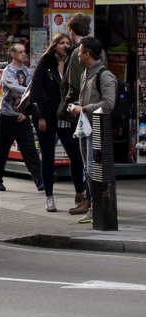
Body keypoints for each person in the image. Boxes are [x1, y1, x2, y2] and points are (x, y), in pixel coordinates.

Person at [29, 32, 85, 212]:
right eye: (61, 42)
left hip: (67, 115)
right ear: (54, 45)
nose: (65, 45)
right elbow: (35, 92)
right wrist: (40, 117)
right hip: (48, 115)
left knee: (76, 155)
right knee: (48, 156)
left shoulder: (72, 62)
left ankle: (79, 192)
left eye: (67, 42)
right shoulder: (45, 63)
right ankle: (49, 197)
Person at [68, 36, 117, 224]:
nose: (78, 54)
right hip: (85, 128)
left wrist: (84, 109)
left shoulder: (104, 75)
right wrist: (76, 107)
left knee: (95, 170)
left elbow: (108, 104)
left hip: (97, 130)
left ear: (87, 54)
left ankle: (98, 208)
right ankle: (93, 206)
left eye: (80, 51)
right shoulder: (85, 73)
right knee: (88, 170)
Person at [0, 42, 43, 192]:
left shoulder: (28, 72)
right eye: (20, 52)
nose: (24, 54)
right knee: (2, 150)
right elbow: (15, 87)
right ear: (13, 54)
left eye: (24, 52)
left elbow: (31, 90)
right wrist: (31, 91)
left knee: (30, 149)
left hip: (22, 117)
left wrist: (25, 112)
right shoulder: (7, 71)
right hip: (7, 116)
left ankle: (40, 180)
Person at [56, 13, 93, 214]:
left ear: (71, 31)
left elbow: (75, 85)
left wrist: (65, 108)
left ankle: (87, 199)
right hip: (89, 109)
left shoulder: (81, 51)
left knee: (83, 158)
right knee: (86, 158)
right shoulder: (96, 47)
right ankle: (86, 198)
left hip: (79, 111)